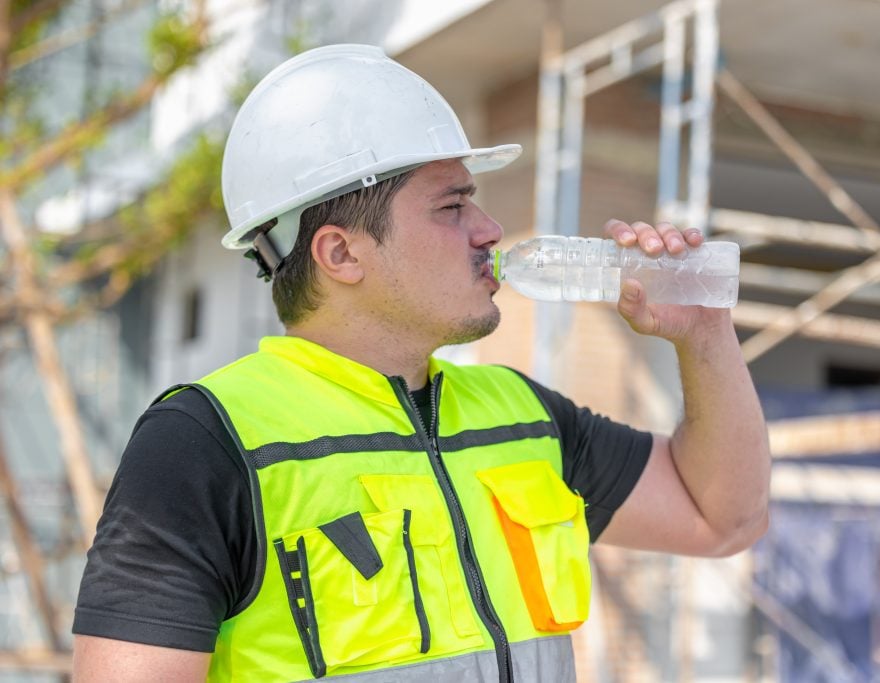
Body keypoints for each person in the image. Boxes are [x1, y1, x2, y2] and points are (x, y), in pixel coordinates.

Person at [71, 44, 770, 682]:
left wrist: (703, 335)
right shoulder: (204, 442)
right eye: (452, 205)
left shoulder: (519, 414)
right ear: (341, 254)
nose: (490, 230)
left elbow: (724, 518)